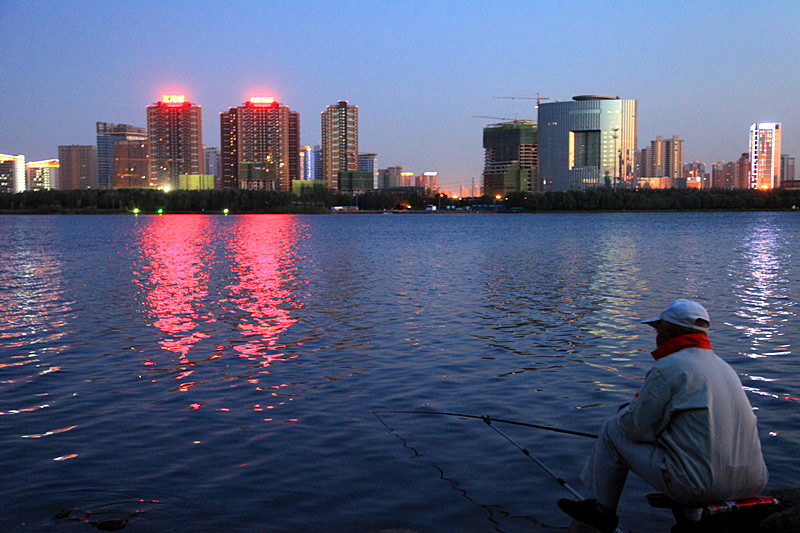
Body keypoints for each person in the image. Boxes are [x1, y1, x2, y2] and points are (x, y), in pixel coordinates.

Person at [558, 299, 768, 533]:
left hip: (701, 487)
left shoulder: (670, 367)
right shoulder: (725, 368)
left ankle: (603, 514)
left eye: (657, 330)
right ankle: (690, 522)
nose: (656, 337)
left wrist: (628, 412)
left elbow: (634, 429)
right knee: (681, 443)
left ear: (669, 331)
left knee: (612, 429)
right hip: (753, 482)